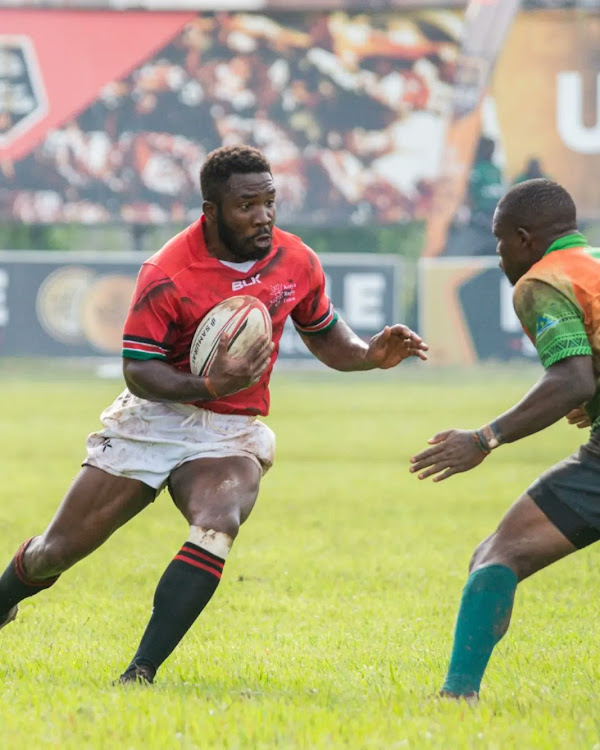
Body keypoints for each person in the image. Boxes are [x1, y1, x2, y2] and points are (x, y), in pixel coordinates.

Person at [0, 145, 428, 685]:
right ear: (212, 210)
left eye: (270, 202)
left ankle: (140, 672)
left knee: (216, 524)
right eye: (247, 205)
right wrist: (207, 382)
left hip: (228, 431)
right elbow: (139, 370)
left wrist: (369, 354)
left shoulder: (296, 260)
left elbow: (324, 334)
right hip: (154, 418)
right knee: (52, 553)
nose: (264, 216)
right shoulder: (168, 271)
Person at [409, 178, 600, 701]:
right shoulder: (594, 264)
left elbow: (571, 378)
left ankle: (456, 697)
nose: (497, 259)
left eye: (498, 244)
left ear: (523, 239)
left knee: (497, 554)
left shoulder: (542, 280)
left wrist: (484, 438)